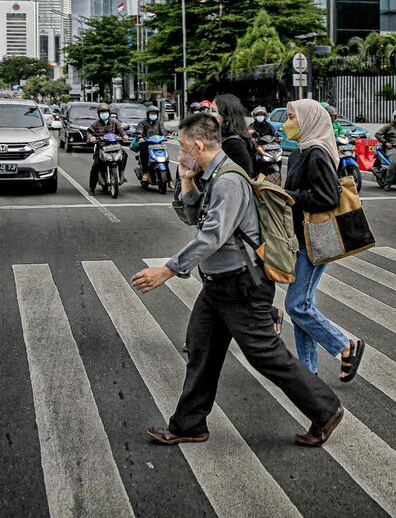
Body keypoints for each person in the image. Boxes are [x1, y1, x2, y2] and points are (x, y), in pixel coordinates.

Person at [131, 113, 344, 447]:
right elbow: (194, 218)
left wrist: (168, 270)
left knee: (265, 354)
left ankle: (326, 409)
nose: (181, 155)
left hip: (243, 284)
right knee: (202, 352)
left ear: (198, 145)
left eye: (184, 149)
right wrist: (186, 180)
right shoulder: (211, 176)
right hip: (217, 284)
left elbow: (212, 236)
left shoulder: (229, 181)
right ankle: (189, 424)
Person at [282, 99, 365, 382]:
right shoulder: (299, 153)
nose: (288, 123)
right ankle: (308, 371)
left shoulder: (317, 154)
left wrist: (292, 198)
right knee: (304, 304)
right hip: (300, 237)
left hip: (316, 237)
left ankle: (345, 345)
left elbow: (327, 197)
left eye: (293, 116)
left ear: (308, 119)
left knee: (297, 305)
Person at [88, 102, 129, 195]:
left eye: (105, 112)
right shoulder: (95, 124)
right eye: (102, 112)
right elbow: (89, 132)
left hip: (115, 146)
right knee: (95, 166)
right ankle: (92, 188)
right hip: (101, 147)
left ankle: (121, 172)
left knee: (125, 155)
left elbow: (121, 130)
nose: (104, 114)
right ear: (99, 114)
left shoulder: (114, 122)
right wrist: (91, 138)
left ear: (109, 113)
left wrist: (124, 135)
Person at [213, 94, 256, 177]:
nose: (209, 114)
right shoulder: (218, 139)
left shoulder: (235, 145)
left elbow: (244, 178)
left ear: (225, 116)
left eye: (213, 111)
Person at [135, 105, 165, 183]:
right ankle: (145, 173)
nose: (153, 115)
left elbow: (164, 132)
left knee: (165, 158)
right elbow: (139, 131)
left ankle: (169, 180)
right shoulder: (143, 123)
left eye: (155, 113)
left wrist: (168, 136)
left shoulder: (158, 124)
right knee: (144, 153)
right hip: (146, 144)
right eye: (152, 113)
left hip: (158, 145)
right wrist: (140, 137)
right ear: (148, 114)